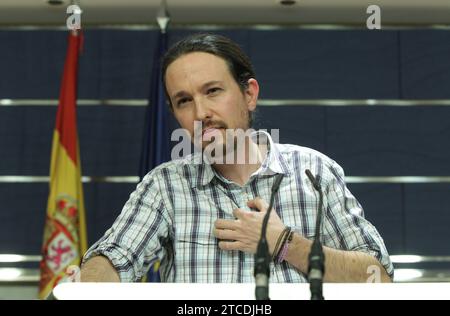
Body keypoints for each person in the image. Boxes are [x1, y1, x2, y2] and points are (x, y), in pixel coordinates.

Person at [80, 33, 394, 283]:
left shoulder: (316, 172)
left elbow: (376, 278)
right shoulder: (165, 185)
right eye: (184, 101)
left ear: (249, 94)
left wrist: (286, 243)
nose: (201, 113)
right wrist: (88, 284)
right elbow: (115, 257)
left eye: (213, 91)